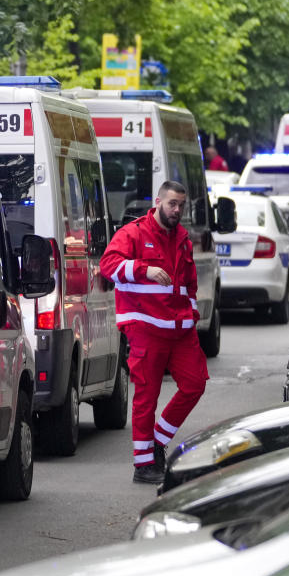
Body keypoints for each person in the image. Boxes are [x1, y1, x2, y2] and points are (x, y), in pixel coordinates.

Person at [99, 181, 209, 485]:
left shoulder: (182, 239)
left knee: (195, 384)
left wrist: (192, 315)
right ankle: (144, 463)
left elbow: (189, 286)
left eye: (181, 205)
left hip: (180, 329)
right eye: (172, 204)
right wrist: (142, 269)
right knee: (146, 396)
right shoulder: (134, 233)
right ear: (158, 201)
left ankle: (158, 442)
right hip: (146, 327)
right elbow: (108, 265)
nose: (177, 210)